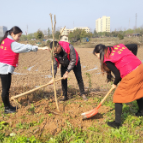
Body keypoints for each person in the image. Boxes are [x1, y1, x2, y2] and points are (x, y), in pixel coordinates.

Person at [93, 43, 143, 129]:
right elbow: (134, 46)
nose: (97, 57)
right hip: (140, 67)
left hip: (131, 72)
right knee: (138, 89)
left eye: (96, 55)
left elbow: (118, 75)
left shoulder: (106, 59)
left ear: (100, 52)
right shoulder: (118, 47)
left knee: (118, 96)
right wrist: (132, 59)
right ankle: (141, 112)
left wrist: (114, 84)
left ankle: (117, 123)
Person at [0, 26, 48, 114]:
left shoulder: (4, 40)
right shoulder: (12, 43)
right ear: (12, 34)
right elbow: (25, 47)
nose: (19, 38)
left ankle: (8, 106)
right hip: (5, 69)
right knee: (5, 89)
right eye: (18, 36)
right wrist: (40, 48)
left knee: (5, 89)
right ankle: (7, 108)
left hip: (2, 68)